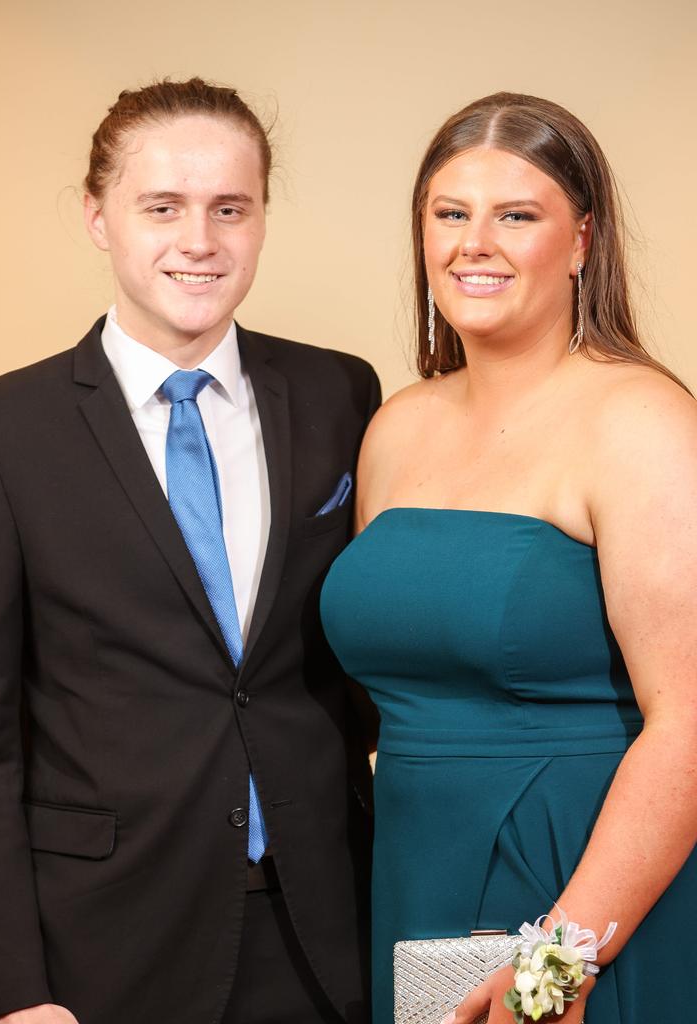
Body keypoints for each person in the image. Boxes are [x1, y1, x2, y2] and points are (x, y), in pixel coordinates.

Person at [0, 78, 380, 1024]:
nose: (200, 241)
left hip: (325, 932)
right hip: (103, 949)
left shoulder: (342, 394)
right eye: (162, 207)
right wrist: (9, 992)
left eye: (231, 208)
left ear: (261, 218)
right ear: (99, 217)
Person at [320, 91, 697, 1024]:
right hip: (414, 869)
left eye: (515, 216)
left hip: (584, 885)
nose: (473, 243)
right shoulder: (394, 428)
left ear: (580, 240)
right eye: (450, 214)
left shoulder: (642, 421)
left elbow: (691, 717)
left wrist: (563, 957)